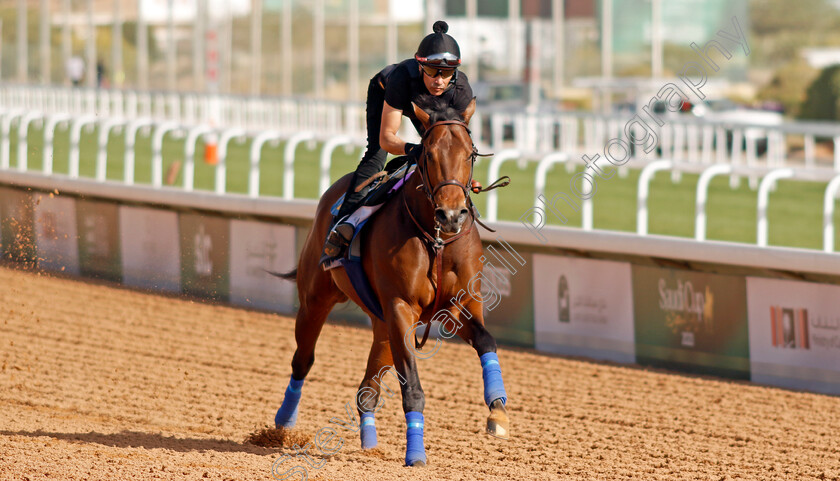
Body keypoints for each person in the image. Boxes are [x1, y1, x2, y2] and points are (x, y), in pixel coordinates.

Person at [321, 20, 474, 264]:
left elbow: (459, 148)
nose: (439, 80)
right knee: (376, 156)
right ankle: (343, 228)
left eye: (446, 73)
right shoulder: (402, 79)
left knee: (444, 158)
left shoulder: (461, 90)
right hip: (389, 93)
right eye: (433, 70)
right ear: (420, 65)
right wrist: (412, 149)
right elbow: (387, 138)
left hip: (432, 112)